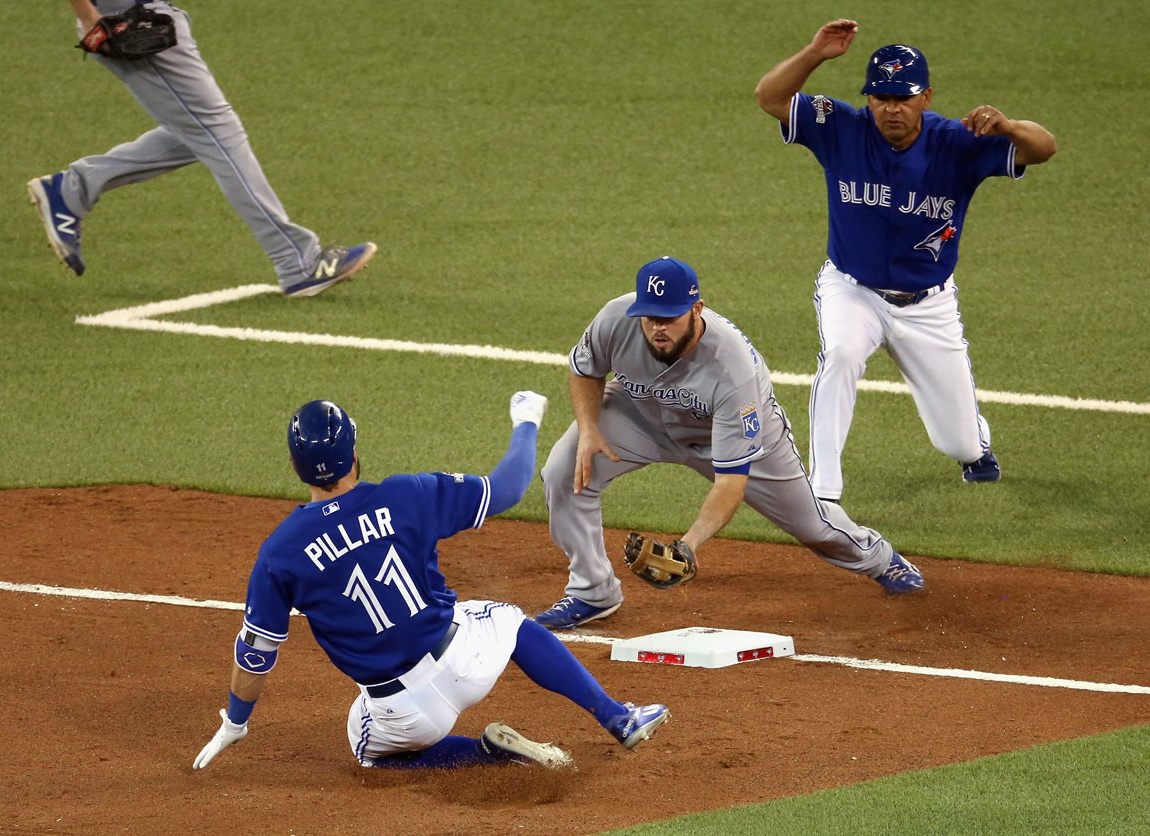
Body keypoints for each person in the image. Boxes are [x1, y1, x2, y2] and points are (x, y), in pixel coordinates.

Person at [193, 393, 670, 771]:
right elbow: (507, 488)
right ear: (354, 452)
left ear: (295, 464)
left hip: (405, 714)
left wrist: (236, 721)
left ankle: (483, 755)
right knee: (508, 620)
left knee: (366, 749)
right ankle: (616, 715)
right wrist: (526, 420)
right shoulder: (406, 494)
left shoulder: (280, 552)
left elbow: (257, 654)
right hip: (467, 660)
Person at [532, 256, 924, 631]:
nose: (657, 328)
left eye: (669, 317)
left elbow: (730, 482)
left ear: (696, 308)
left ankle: (878, 559)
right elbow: (584, 368)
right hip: (641, 414)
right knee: (566, 471)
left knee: (813, 525)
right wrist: (588, 428)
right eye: (650, 318)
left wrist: (688, 546)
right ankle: (592, 591)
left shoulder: (732, 369)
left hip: (724, 434)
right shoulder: (616, 318)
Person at [753, 20, 1057, 499]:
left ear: (926, 97)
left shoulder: (958, 142)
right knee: (841, 355)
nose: (891, 108)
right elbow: (769, 97)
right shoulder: (841, 127)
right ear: (869, 98)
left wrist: (1011, 127)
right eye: (881, 97)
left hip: (928, 305)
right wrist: (815, 52)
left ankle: (975, 446)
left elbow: (1044, 149)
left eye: (904, 97)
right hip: (852, 289)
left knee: (957, 440)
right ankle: (823, 491)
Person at [28, 0, 376, 297]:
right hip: (124, 19)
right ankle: (298, 262)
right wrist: (89, 15)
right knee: (218, 133)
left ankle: (71, 189)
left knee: (198, 134)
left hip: (143, 12)